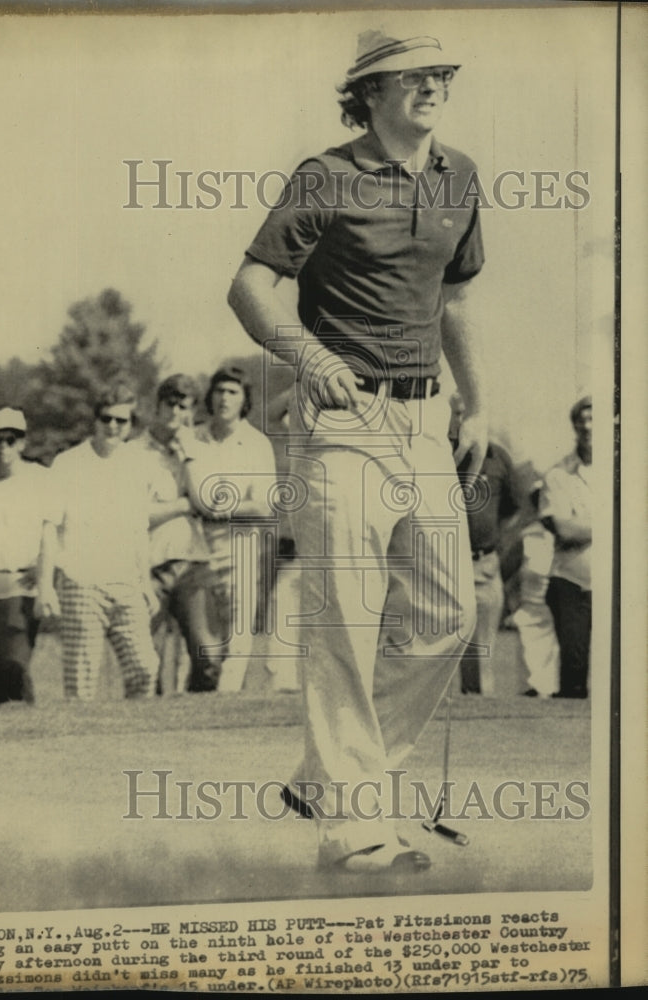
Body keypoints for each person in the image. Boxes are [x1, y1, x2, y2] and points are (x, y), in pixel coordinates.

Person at [227, 28, 486, 872]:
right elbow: (249, 287)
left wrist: (477, 405)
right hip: (340, 419)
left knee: (450, 616)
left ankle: (326, 777)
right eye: (410, 76)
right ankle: (354, 820)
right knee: (346, 615)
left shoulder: (460, 176)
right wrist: (307, 355)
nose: (431, 85)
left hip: (424, 423)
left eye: (440, 73)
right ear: (369, 93)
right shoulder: (325, 174)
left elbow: (452, 300)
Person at [37, 382, 158, 701]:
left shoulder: (138, 463)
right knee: (81, 682)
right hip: (81, 583)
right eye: (106, 419)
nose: (113, 427)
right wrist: (45, 586)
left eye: (122, 421)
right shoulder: (67, 463)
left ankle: (132, 742)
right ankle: (80, 749)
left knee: (145, 668)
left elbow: (139, 532)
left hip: (126, 584)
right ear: (95, 420)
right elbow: (49, 528)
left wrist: (145, 583)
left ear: (131, 425)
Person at [130, 373, 222, 694]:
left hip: (192, 563)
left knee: (208, 656)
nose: (175, 413)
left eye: (183, 407)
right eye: (169, 404)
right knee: (146, 661)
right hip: (148, 565)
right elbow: (135, 515)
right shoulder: (133, 452)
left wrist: (189, 456)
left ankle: (197, 726)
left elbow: (209, 505)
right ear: (157, 406)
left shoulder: (197, 449)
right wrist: (184, 504)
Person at [192, 365, 278, 691]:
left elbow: (264, 504)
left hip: (240, 542)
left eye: (232, 392)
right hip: (194, 544)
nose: (224, 399)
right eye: (219, 391)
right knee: (199, 636)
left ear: (244, 400)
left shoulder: (256, 444)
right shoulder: (193, 438)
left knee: (239, 633)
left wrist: (222, 508)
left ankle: (225, 704)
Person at [0, 407, 56, 706]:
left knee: (14, 663)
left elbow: (53, 533)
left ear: (23, 443)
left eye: (11, 439)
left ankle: (21, 720)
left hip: (21, 583)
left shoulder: (41, 479)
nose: (4, 447)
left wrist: (45, 579)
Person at [448, 393, 519, 695]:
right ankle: (464, 705)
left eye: (469, 414)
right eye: (458, 414)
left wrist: (493, 544)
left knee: (484, 646)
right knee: (454, 644)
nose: (464, 421)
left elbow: (513, 509)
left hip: (486, 564)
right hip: (450, 563)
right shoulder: (443, 455)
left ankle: (481, 708)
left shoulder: (498, 457)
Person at [540, 396, 592, 699]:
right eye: (581, 419)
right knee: (574, 674)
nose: (586, 426)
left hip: (620, 585)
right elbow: (564, 528)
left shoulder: (630, 470)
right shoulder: (558, 474)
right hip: (571, 583)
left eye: (593, 418)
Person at [511, 481, 560, 698]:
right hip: (529, 610)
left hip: (555, 612)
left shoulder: (564, 535)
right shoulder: (527, 536)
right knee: (530, 660)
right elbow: (508, 572)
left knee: (552, 662)